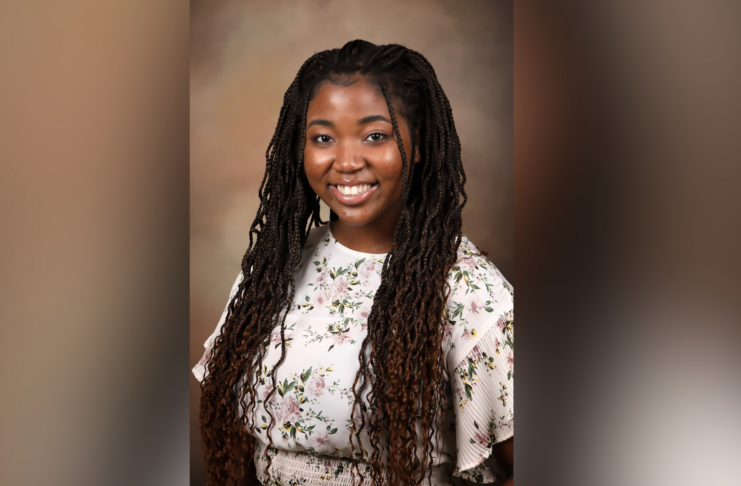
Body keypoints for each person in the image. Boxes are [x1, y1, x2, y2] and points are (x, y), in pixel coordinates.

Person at [193, 40, 514, 486]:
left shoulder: (468, 290)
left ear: (418, 143)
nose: (346, 162)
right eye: (323, 137)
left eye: (375, 136)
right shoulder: (275, 266)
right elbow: (233, 435)